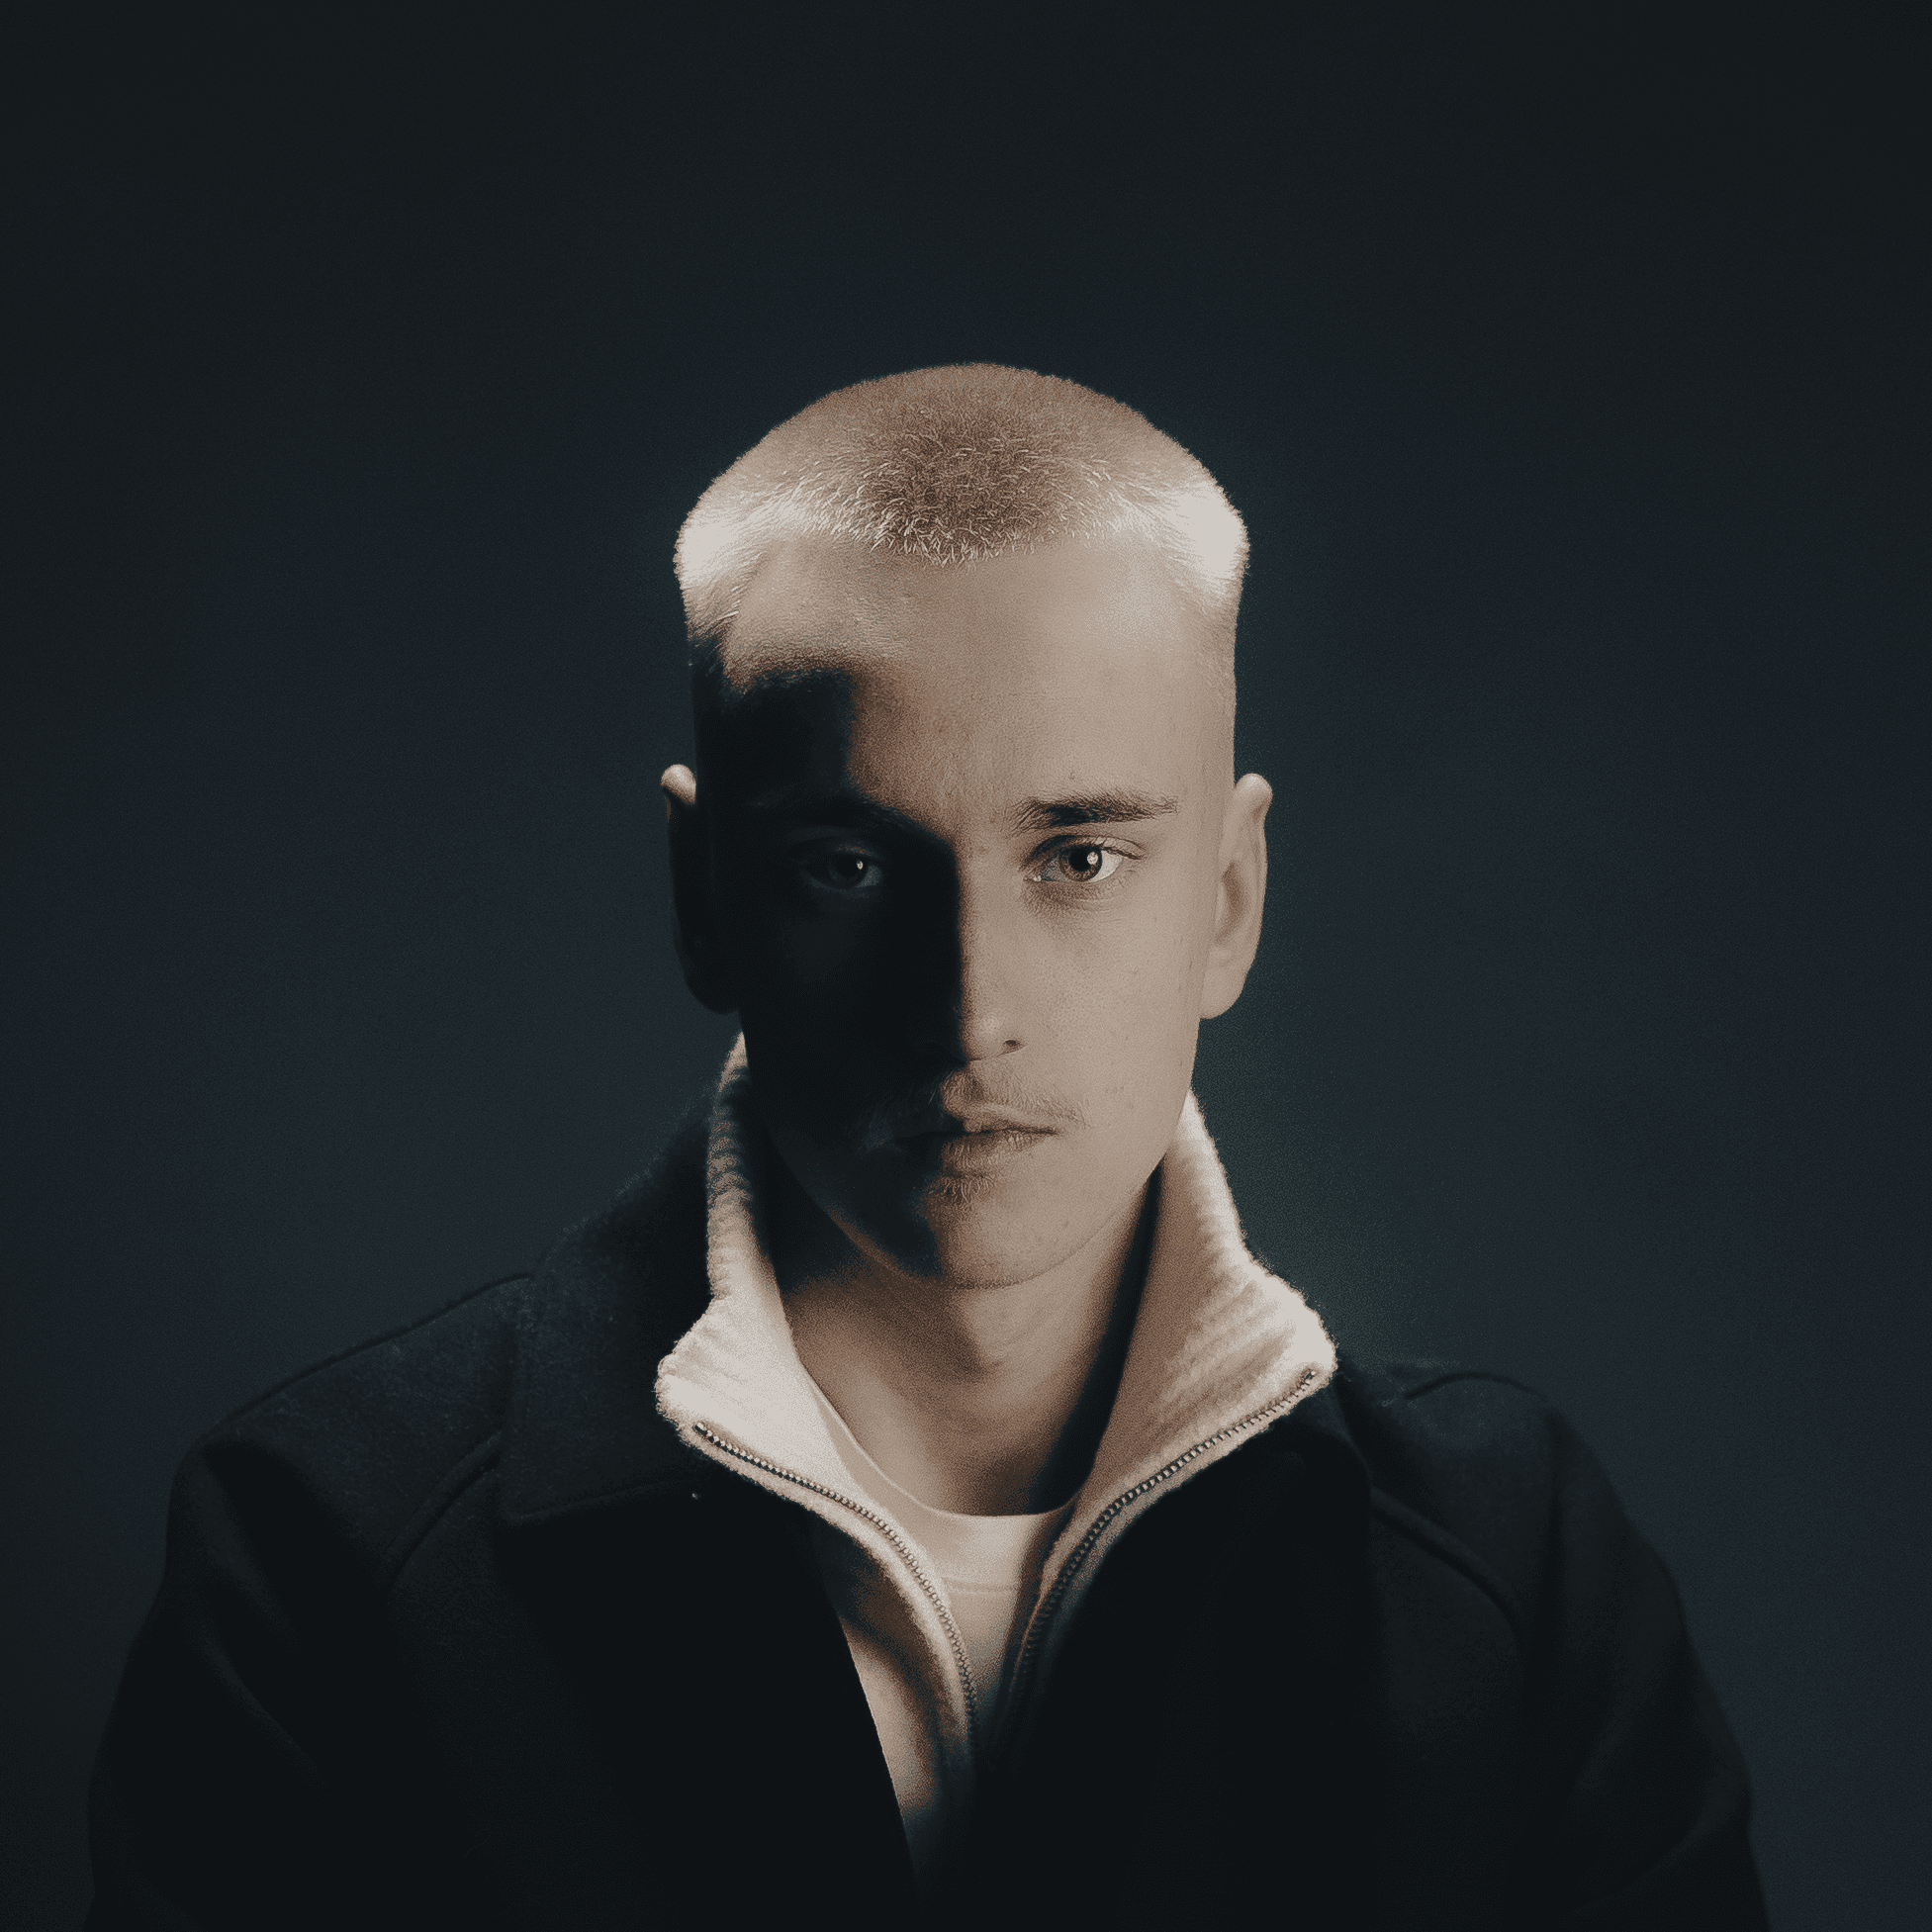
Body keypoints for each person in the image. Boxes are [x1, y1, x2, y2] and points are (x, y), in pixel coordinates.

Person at [86, 365, 1768, 1929]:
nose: (972, 1011)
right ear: (706, 899)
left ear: (1229, 901)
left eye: (1079, 857)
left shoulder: (1519, 1566)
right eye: (848, 866)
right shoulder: (324, 1552)